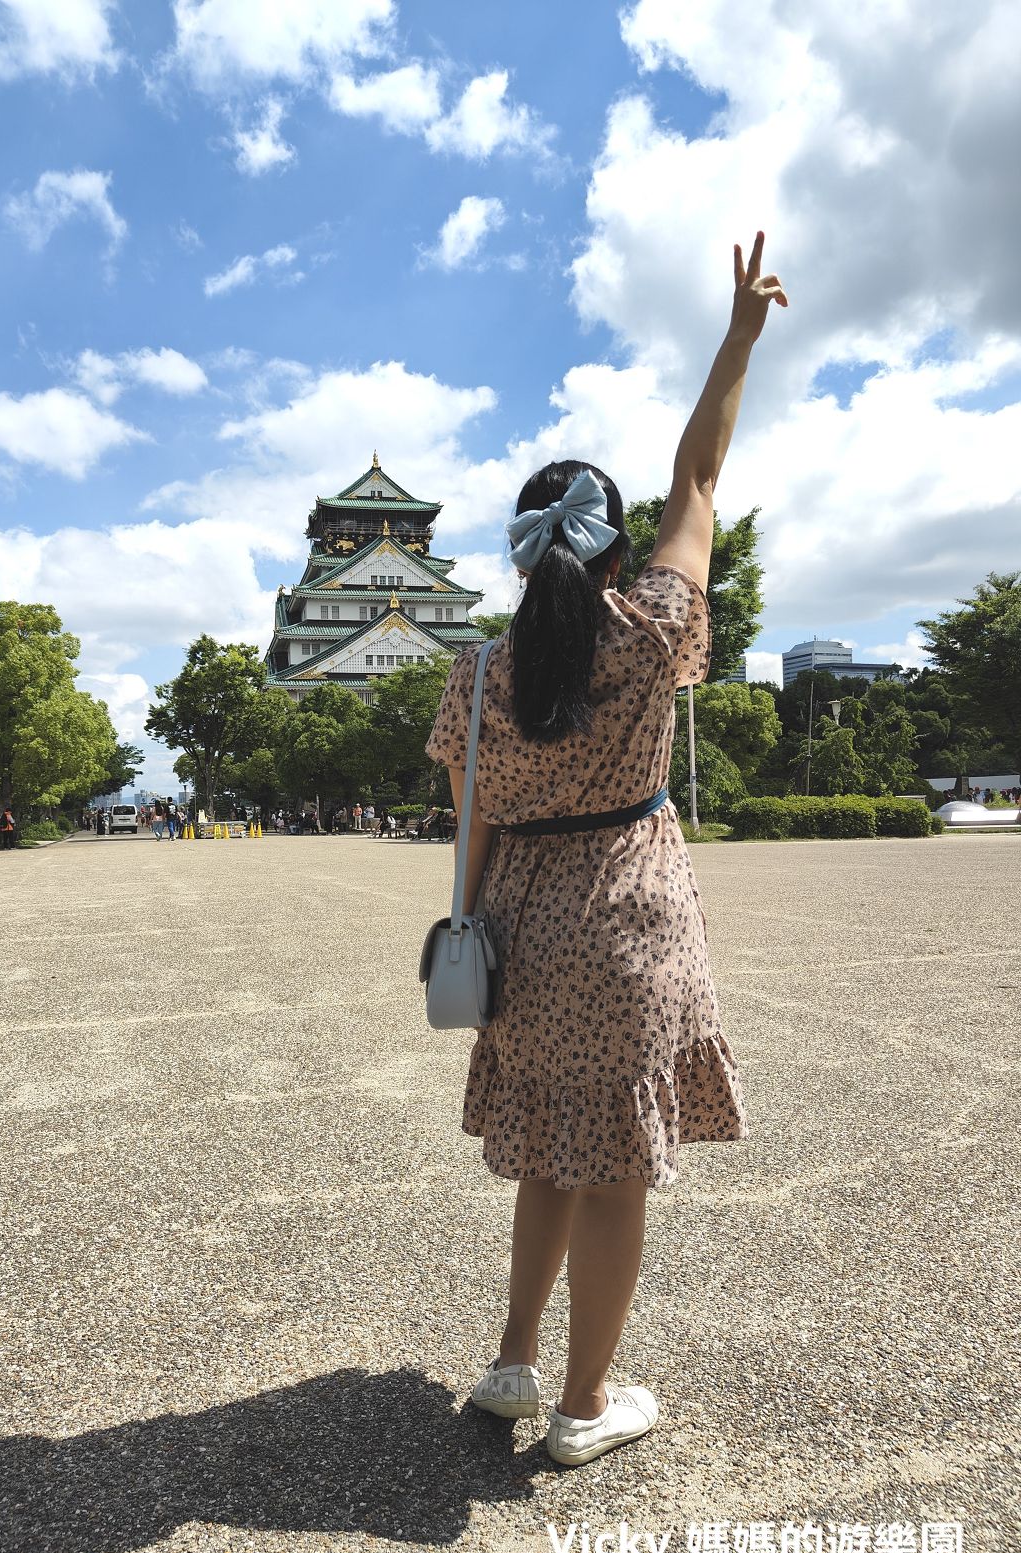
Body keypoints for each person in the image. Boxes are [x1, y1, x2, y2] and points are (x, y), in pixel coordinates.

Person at [424, 231, 784, 1468]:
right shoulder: (656, 628)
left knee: (545, 1151)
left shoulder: (477, 676)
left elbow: (469, 823)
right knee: (618, 1163)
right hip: (628, 927)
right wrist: (737, 336)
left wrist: (460, 947)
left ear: (518, 561)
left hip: (519, 929)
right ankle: (587, 1405)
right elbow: (701, 472)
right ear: (613, 552)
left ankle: (514, 1361)